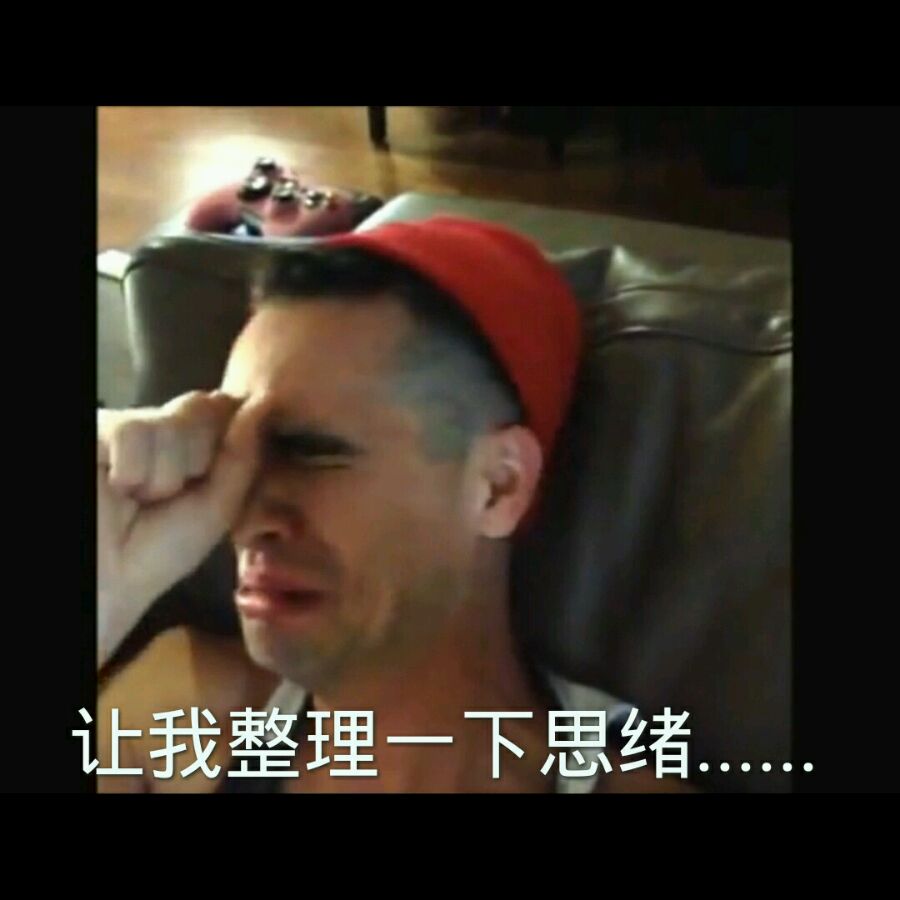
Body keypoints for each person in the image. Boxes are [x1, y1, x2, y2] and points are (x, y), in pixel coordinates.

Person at [96, 217, 692, 793]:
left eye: (311, 451)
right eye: (230, 453)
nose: (245, 517)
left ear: (498, 484)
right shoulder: (185, 714)